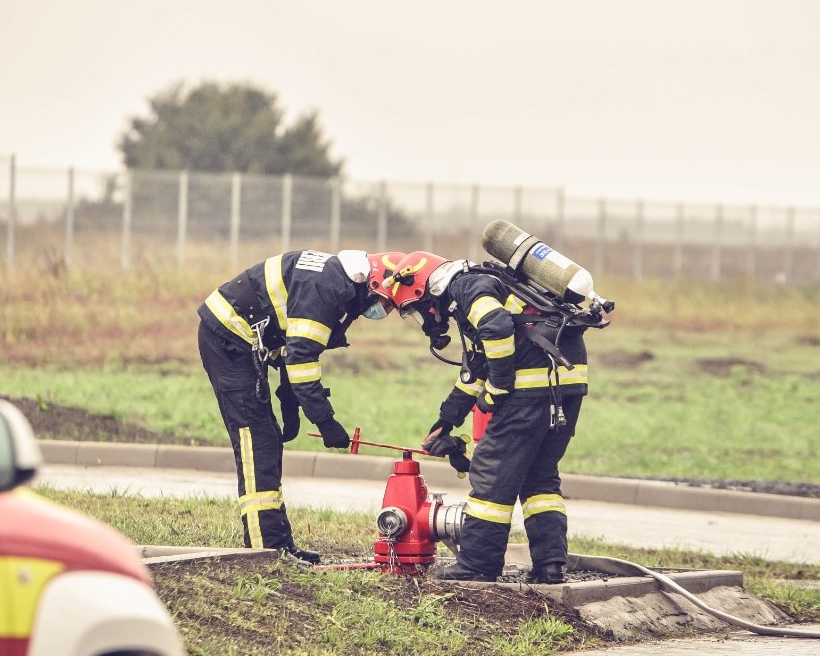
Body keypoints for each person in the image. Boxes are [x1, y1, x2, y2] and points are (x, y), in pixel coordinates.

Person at [373, 251, 590, 584]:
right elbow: (475, 369)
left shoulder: (468, 287)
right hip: (565, 386)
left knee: (492, 474)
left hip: (530, 390)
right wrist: (446, 421)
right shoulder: (485, 289)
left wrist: (499, 387)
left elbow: (497, 327)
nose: (425, 320)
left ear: (423, 289)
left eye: (417, 311)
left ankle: (478, 563)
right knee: (540, 478)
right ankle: (550, 565)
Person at [198, 248, 406, 563]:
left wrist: (289, 401)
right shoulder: (328, 288)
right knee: (256, 439)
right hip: (229, 339)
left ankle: (280, 543)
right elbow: (302, 358)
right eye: (385, 302)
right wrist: (326, 422)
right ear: (372, 282)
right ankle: (263, 550)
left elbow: (287, 334)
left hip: (248, 339)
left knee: (265, 437)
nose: (382, 311)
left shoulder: (334, 279)